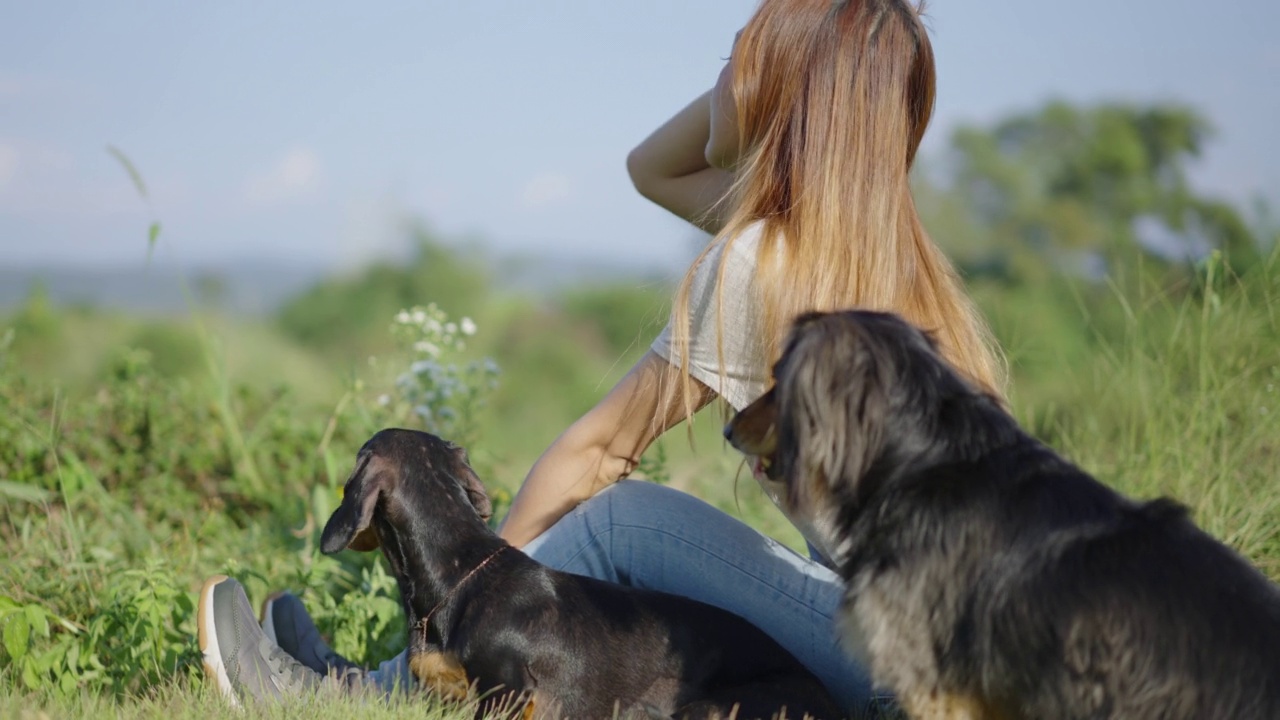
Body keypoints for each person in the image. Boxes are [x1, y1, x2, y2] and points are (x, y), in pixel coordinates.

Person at [197, 0, 1006, 716]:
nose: (721, 76)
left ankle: (388, 689)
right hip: (963, 662)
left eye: (735, 57)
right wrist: (800, 87)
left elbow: (600, 451)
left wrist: (464, 601)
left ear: (778, 95)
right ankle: (409, 676)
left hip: (896, 672)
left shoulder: (766, 260)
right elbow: (653, 170)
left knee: (623, 514)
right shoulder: (898, 267)